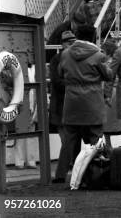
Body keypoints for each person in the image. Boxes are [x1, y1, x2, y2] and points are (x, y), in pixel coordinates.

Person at [58, 25, 113, 159]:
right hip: (92, 101)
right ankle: (96, 171)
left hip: (72, 102)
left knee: (68, 140)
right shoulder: (98, 55)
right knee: (96, 139)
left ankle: (60, 174)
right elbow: (109, 75)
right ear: (93, 37)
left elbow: (60, 73)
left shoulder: (65, 54)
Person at [49, 30, 81, 183]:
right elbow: (56, 81)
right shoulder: (57, 59)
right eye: (69, 43)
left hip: (70, 105)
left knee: (70, 141)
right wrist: (76, 84)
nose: (72, 45)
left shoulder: (69, 58)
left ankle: (70, 172)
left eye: (73, 42)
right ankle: (69, 172)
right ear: (62, 44)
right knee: (68, 141)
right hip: (62, 105)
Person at [101, 38, 121, 150]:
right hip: (116, 94)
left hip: (110, 95)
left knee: (106, 125)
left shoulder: (108, 64)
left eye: (102, 51)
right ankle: (108, 146)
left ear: (108, 52)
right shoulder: (116, 62)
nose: (101, 53)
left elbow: (107, 80)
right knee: (117, 125)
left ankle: (108, 147)